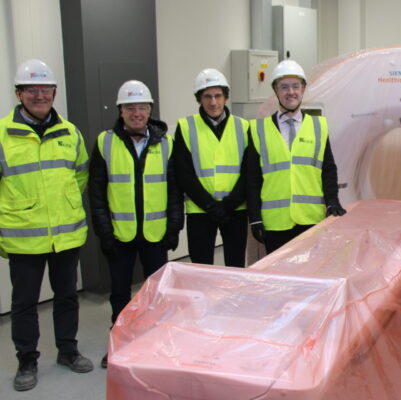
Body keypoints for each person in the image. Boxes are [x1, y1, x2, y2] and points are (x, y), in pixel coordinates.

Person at [0, 59, 93, 391]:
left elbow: (80, 175)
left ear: (54, 93)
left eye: (45, 90)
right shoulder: (2, 135)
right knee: (24, 303)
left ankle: (68, 351)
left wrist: (63, 207)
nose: (40, 96)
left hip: (65, 234)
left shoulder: (70, 132)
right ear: (19, 93)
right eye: (32, 90)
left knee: (67, 296)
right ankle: (27, 360)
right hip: (24, 235)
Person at [88, 80, 184, 368]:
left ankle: (153, 340)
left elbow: (174, 190)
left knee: (156, 291)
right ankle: (119, 341)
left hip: (155, 233)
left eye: (141, 107)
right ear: (120, 111)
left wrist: (174, 227)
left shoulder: (165, 143)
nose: (136, 113)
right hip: (120, 234)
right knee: (120, 292)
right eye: (130, 108)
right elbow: (96, 192)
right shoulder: (105, 142)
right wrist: (104, 232)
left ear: (150, 110)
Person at [246, 59, 346, 254]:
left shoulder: (319, 126)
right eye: (284, 87)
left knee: (310, 277)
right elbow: (252, 179)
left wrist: (332, 201)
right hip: (274, 223)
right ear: (275, 90)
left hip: (311, 220)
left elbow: (328, 169)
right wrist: (255, 218)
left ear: (303, 89)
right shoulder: (258, 129)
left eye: (295, 86)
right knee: (279, 279)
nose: (290, 92)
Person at [173, 69, 249, 267]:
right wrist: (210, 205)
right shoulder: (186, 127)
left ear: (226, 97)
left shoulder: (243, 127)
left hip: (235, 209)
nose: (213, 102)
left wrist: (229, 204)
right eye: (207, 96)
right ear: (199, 99)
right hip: (200, 211)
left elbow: (248, 172)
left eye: (218, 96)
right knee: (201, 268)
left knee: (235, 267)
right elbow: (184, 174)